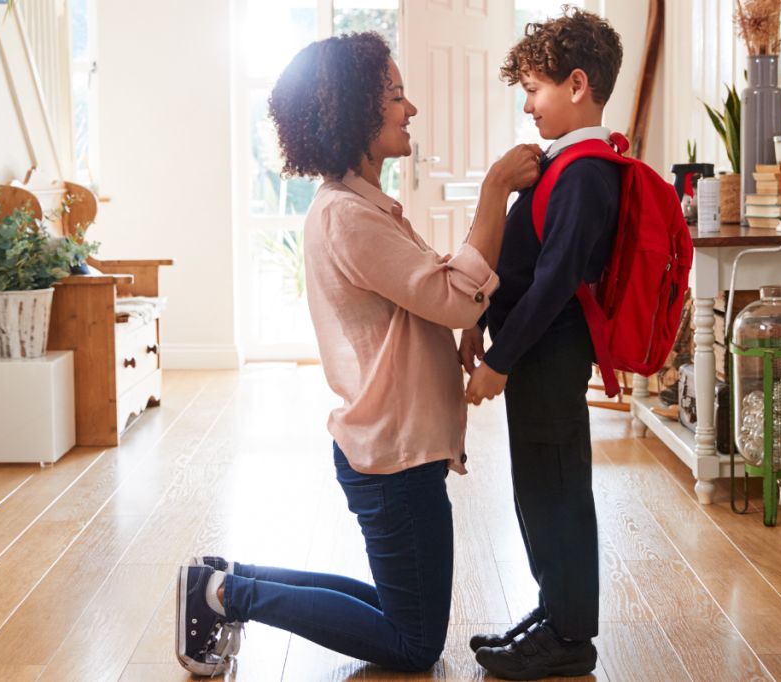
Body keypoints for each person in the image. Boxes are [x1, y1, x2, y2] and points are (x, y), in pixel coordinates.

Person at [173, 31, 541, 677]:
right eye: (396, 96)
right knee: (413, 642)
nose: (411, 109)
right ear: (354, 113)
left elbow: (429, 299)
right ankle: (229, 596)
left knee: (402, 610)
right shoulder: (349, 216)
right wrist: (494, 192)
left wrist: (463, 320)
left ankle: (225, 579)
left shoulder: (361, 206)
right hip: (395, 457)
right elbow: (453, 297)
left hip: (393, 449)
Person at [460, 8, 624, 680]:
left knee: (556, 488)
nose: (527, 104)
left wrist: (500, 361)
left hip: (549, 355)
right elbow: (524, 264)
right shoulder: (563, 164)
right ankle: (555, 612)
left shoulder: (586, 171)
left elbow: (556, 282)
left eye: (534, 88)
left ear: (577, 84)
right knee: (537, 485)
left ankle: (570, 634)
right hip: (536, 354)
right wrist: (479, 319)